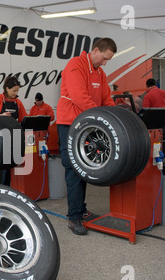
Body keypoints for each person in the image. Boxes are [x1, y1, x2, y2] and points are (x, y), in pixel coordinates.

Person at [56, 37, 117, 235]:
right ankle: (74, 217)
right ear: (96, 50)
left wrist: (117, 117)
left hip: (87, 124)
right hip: (69, 124)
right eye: (104, 58)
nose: (105, 63)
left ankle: (81, 210)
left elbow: (106, 99)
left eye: (108, 60)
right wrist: (100, 117)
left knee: (84, 168)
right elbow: (79, 96)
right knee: (73, 168)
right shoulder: (76, 65)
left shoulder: (100, 73)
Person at [0, 75, 28, 185]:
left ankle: (6, 189)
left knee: (7, 168)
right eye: (14, 90)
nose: (15, 93)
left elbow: (24, 118)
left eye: (17, 90)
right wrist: (1, 115)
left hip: (11, 140)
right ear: (7, 89)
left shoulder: (18, 103)